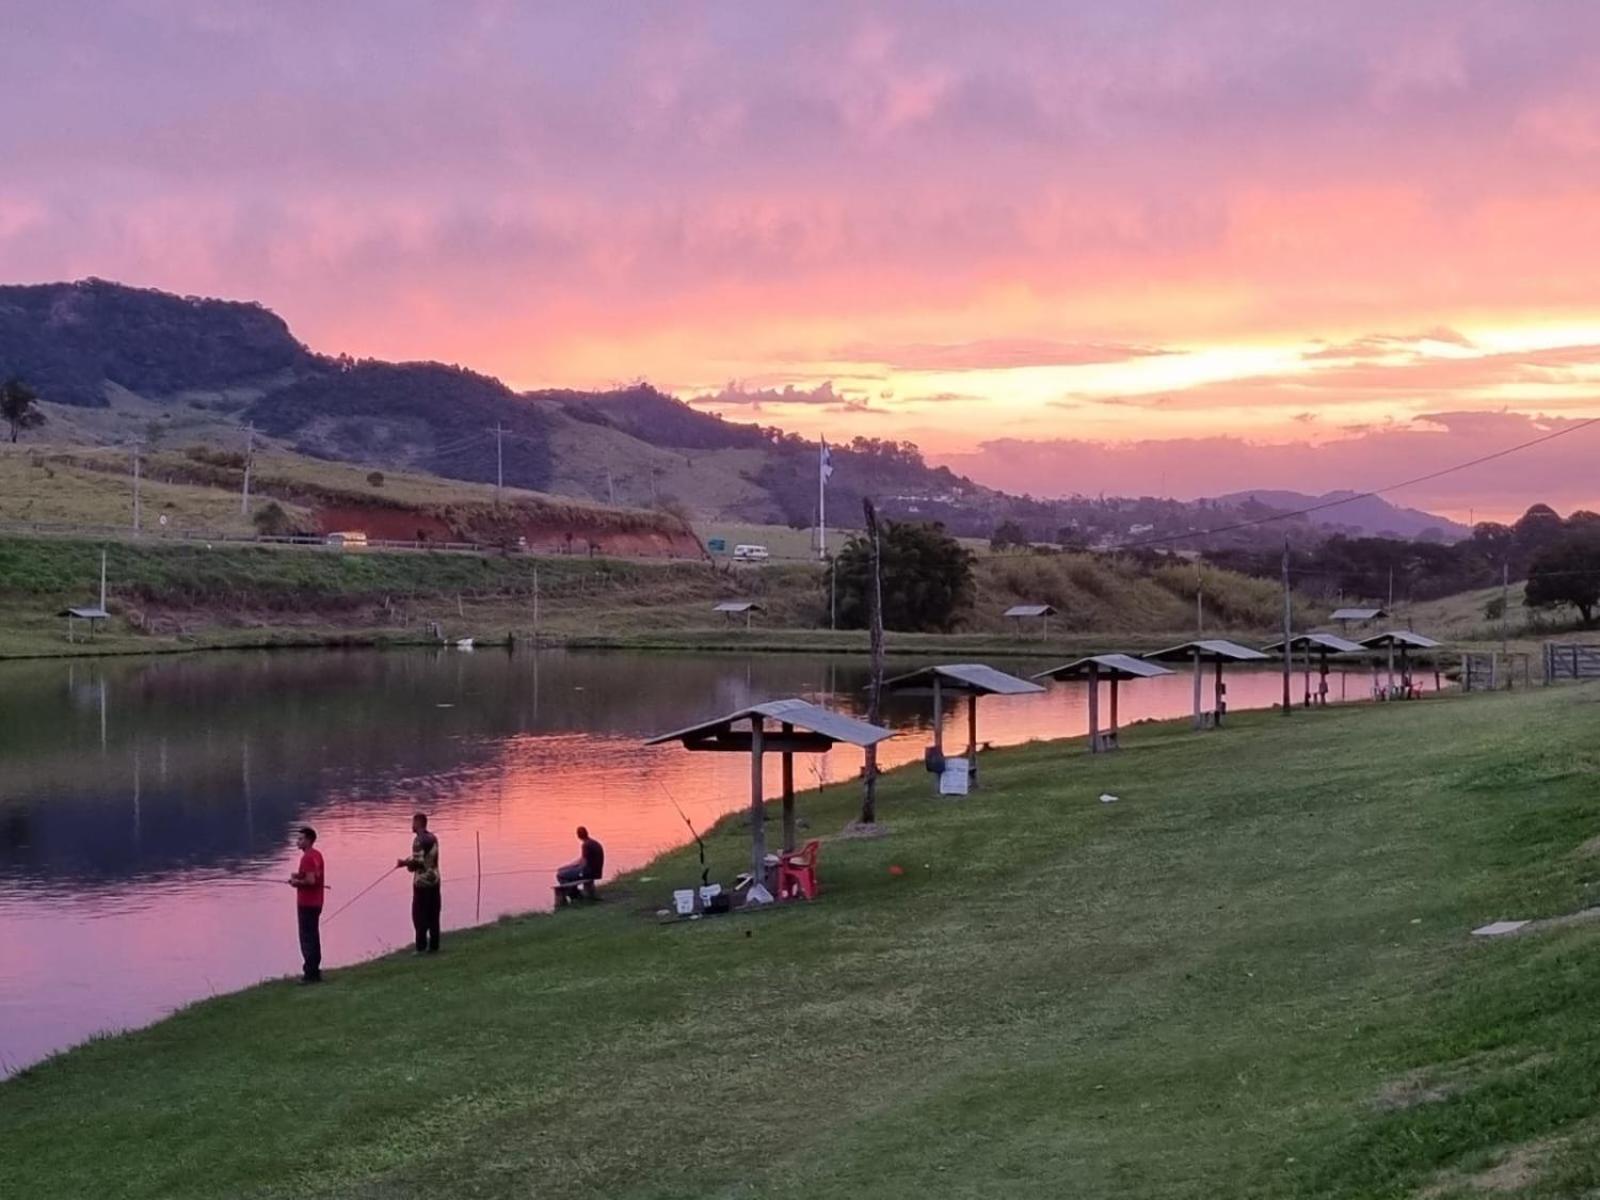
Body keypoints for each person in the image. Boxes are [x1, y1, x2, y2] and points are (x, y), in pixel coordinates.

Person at [398, 812, 441, 953]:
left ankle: (421, 947)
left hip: (422, 884)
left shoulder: (418, 841)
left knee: (419, 916)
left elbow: (417, 863)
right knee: (434, 914)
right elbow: (426, 858)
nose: (412, 826)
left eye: (413, 822)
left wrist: (405, 864)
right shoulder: (433, 838)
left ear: (419, 823)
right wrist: (410, 862)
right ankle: (434, 946)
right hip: (435, 881)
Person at [287, 826, 325, 984]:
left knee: (307, 938)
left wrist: (296, 882)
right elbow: (314, 875)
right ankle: (315, 970)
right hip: (317, 902)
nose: (298, 841)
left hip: (307, 903)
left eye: (301, 839)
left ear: (309, 840)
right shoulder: (317, 855)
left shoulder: (307, 857)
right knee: (313, 937)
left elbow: (310, 881)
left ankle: (310, 974)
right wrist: (299, 875)